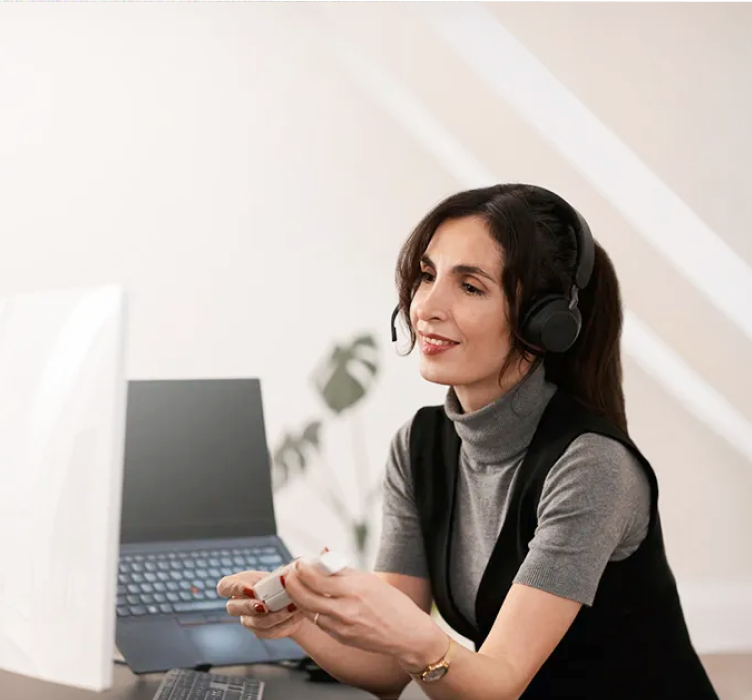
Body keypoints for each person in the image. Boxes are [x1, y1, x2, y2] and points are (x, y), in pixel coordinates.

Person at [217, 184, 719, 699]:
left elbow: (495, 686)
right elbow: (388, 668)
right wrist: (295, 618)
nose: (427, 307)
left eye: (471, 287)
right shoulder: (420, 447)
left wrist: (412, 635)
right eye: (427, 276)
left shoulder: (591, 466)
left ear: (544, 321)